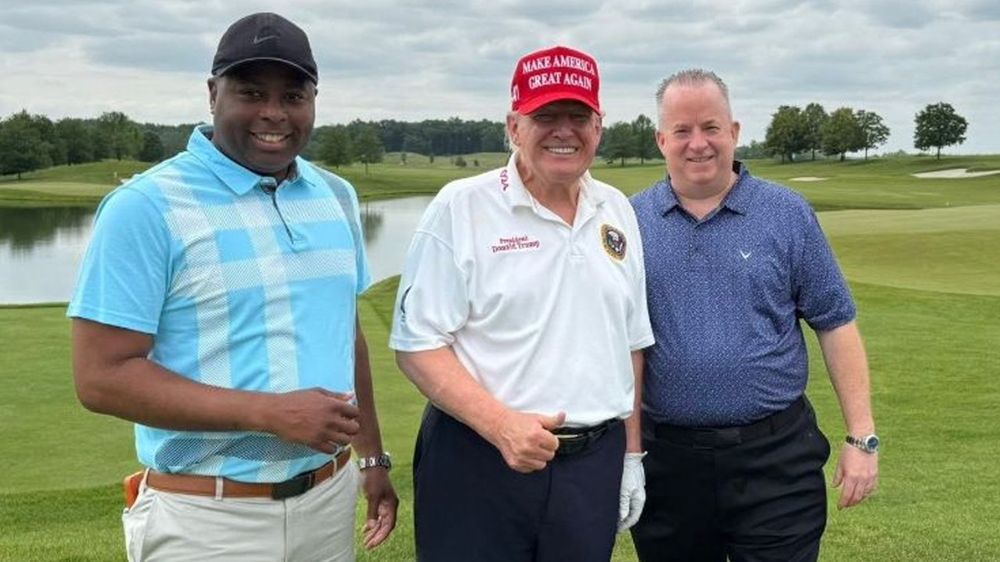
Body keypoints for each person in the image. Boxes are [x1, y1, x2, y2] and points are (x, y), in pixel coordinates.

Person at [68, 12, 397, 561]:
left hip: (328, 499)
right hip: (207, 519)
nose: (273, 113)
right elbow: (100, 378)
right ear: (212, 93)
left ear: (313, 99)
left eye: (293, 95)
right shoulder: (144, 207)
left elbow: (345, 332)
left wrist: (372, 458)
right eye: (250, 92)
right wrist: (265, 412)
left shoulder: (335, 195)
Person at [389, 45, 655, 561]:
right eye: (545, 116)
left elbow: (631, 344)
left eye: (578, 116)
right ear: (514, 125)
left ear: (598, 127)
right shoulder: (462, 206)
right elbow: (416, 344)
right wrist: (500, 425)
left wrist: (631, 455)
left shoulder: (616, 210)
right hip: (478, 460)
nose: (563, 131)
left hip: (592, 464)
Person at [629, 68, 879, 561]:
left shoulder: (786, 213)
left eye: (711, 127)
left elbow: (834, 321)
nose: (697, 143)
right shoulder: (627, 222)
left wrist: (862, 437)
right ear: (661, 139)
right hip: (668, 465)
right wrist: (626, 455)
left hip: (775, 459)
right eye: (681, 131)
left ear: (735, 132)